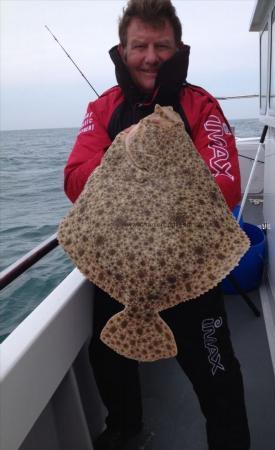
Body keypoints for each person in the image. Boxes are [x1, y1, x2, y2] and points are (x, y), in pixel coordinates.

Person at [64, 1, 250, 449]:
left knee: (218, 372)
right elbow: (73, 181)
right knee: (106, 359)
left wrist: (166, 160)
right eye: (140, 46)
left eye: (161, 46)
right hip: (120, 271)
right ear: (123, 50)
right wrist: (119, 155)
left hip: (188, 270)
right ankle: (125, 430)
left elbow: (226, 185)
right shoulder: (103, 108)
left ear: (178, 48)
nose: (150, 56)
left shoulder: (200, 105)